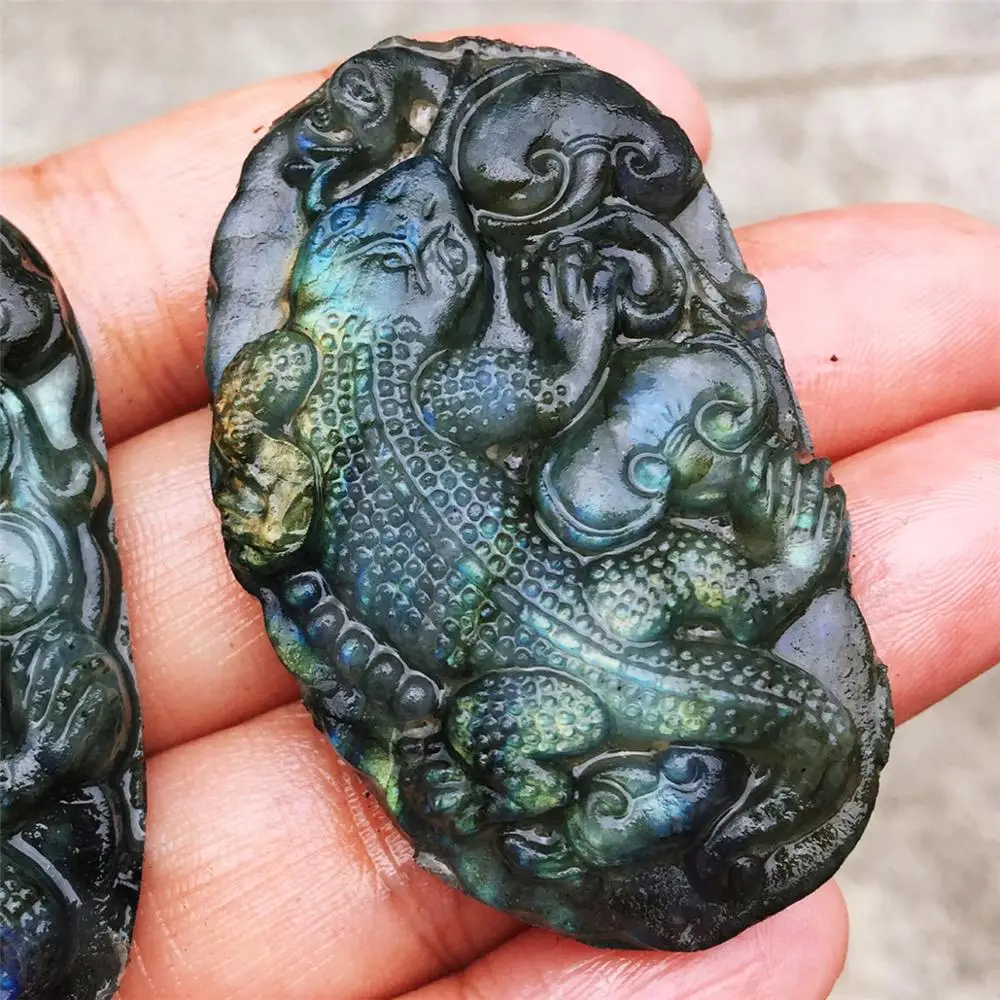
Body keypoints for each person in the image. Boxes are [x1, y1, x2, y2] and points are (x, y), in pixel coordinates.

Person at [1, 23, 997, 1000]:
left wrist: (583, 332)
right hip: (589, 615)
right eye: (432, 247)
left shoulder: (330, 371)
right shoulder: (412, 383)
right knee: (636, 610)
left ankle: (640, 724)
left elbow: (313, 499)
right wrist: (580, 333)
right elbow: (546, 393)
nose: (443, 253)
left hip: (543, 656)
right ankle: (775, 578)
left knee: (498, 721)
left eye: (439, 244)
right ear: (429, 280)